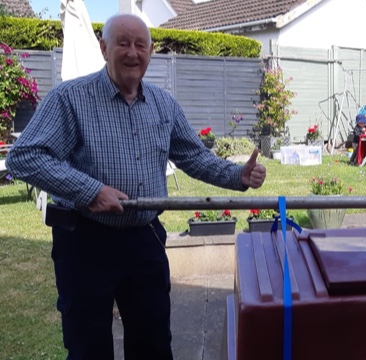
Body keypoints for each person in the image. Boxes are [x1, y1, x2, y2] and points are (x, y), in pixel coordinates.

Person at [6, 14, 266, 359]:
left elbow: (194, 157)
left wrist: (237, 177)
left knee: (154, 343)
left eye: (140, 44)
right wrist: (91, 191)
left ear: (151, 50)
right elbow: (24, 157)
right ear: (104, 48)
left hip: (144, 238)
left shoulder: (163, 104)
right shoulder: (70, 98)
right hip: (85, 242)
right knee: (88, 346)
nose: (132, 52)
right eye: (123, 43)